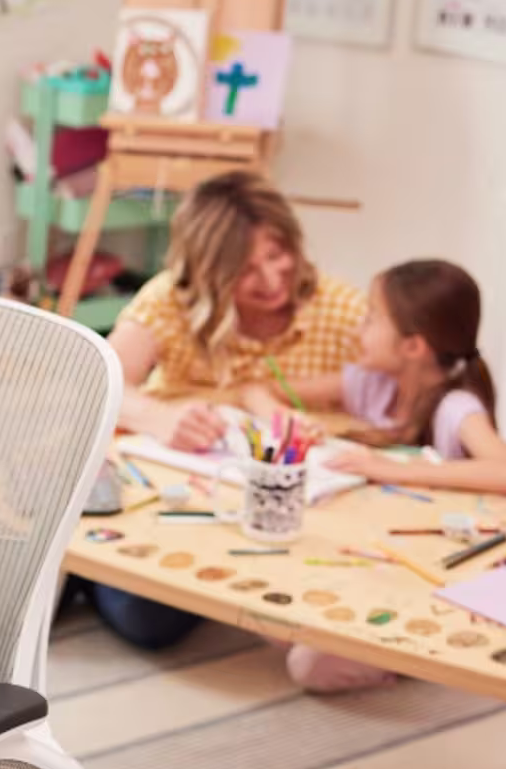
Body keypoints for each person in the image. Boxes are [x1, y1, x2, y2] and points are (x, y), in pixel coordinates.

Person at [84, 172, 365, 651]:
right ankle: (85, 570)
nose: (273, 279)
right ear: (209, 269)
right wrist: (159, 417)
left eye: (278, 256)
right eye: (247, 269)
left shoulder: (338, 307)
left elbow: (399, 388)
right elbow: (96, 382)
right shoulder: (171, 300)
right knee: (148, 619)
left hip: (296, 511)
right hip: (182, 500)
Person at [242, 258, 506, 692]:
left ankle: (408, 658)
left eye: (371, 319)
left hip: (428, 582)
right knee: (262, 603)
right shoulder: (369, 384)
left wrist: (391, 468)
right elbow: (255, 388)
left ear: (413, 346)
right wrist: (286, 417)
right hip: (366, 564)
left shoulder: (455, 407)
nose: (358, 331)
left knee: (309, 667)